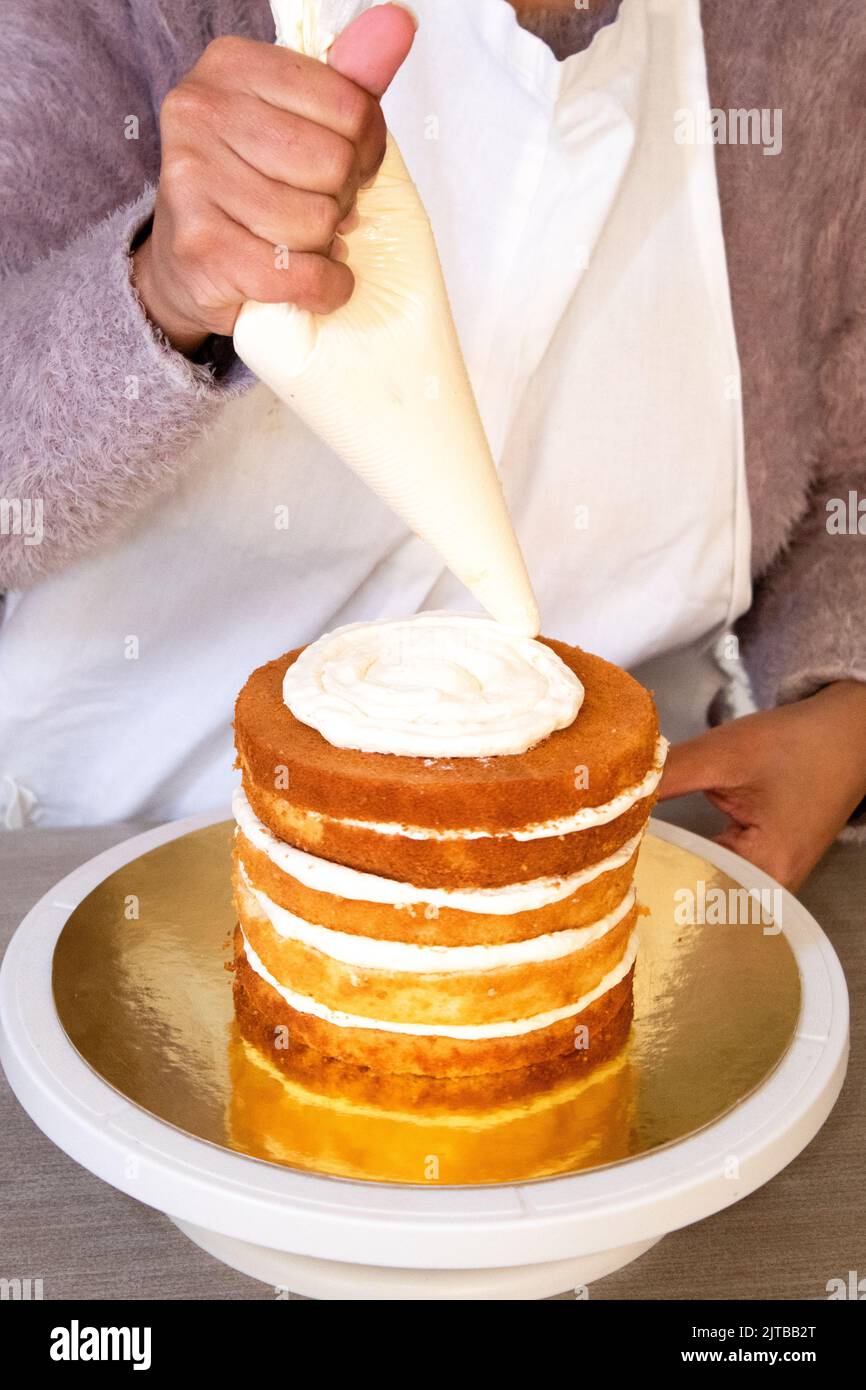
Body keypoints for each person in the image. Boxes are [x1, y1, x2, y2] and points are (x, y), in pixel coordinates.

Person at [1, 0, 864, 889]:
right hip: (108, 864)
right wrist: (166, 287)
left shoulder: (814, 43)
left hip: (618, 878)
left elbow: (847, 481)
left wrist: (849, 708)